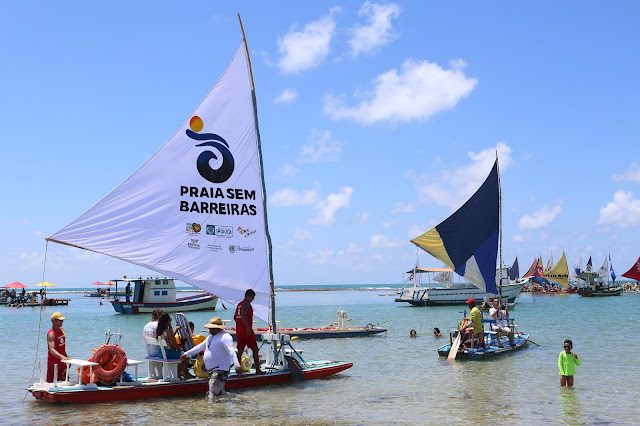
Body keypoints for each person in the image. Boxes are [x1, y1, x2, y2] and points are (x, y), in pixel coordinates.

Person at [181, 317, 242, 396]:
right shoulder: (210, 337)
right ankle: (224, 404)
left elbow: (231, 351)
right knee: (219, 393)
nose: (209, 330)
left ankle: (211, 407)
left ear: (217, 328)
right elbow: (199, 347)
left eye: (211, 328)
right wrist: (187, 354)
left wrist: (237, 365)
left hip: (221, 369)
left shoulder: (225, 337)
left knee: (212, 393)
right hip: (211, 370)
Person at [235, 289, 264, 374]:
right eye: (252, 297)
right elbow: (243, 315)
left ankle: (239, 371)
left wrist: (240, 325)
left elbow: (235, 317)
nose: (253, 299)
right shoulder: (246, 303)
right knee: (255, 349)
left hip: (239, 331)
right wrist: (248, 327)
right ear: (249, 296)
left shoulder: (239, 305)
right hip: (246, 331)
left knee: (240, 351)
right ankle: (258, 370)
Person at [155, 313, 192, 378]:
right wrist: (181, 350)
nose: (171, 321)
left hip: (161, 353)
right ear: (167, 322)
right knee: (186, 355)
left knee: (183, 354)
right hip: (168, 353)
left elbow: (170, 337)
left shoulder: (159, 331)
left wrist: (173, 328)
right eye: (170, 320)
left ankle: (186, 373)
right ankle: (178, 374)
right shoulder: (168, 331)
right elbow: (174, 345)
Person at [47, 312, 70, 382]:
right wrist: (62, 357)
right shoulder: (51, 334)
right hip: (54, 362)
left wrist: (66, 357)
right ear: (53, 321)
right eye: (59, 320)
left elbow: (62, 347)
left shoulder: (62, 330)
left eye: (62, 320)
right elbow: (51, 350)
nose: (62, 322)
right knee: (53, 381)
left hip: (62, 361)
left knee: (65, 380)